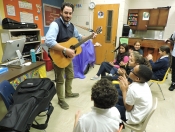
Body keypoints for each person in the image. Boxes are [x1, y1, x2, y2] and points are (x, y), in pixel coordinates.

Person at [45, 2, 96, 110]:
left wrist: (90, 36)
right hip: (57, 56)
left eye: (70, 13)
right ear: (61, 12)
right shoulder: (55, 24)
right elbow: (49, 41)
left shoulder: (72, 26)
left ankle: (68, 92)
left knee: (70, 75)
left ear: (72, 14)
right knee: (60, 80)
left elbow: (78, 37)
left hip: (67, 57)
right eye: (66, 13)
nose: (68, 15)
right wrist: (65, 49)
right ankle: (61, 100)